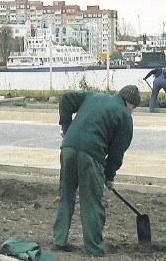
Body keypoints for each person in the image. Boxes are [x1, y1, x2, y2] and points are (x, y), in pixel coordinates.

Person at [52, 85, 140, 257]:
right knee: (91, 201)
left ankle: (59, 240)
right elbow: (116, 152)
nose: (133, 111)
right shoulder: (124, 117)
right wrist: (109, 175)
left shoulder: (93, 97)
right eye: (134, 108)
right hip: (90, 156)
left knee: (66, 196)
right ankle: (94, 248)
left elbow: (65, 99)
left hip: (68, 149)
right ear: (130, 104)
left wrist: (66, 128)